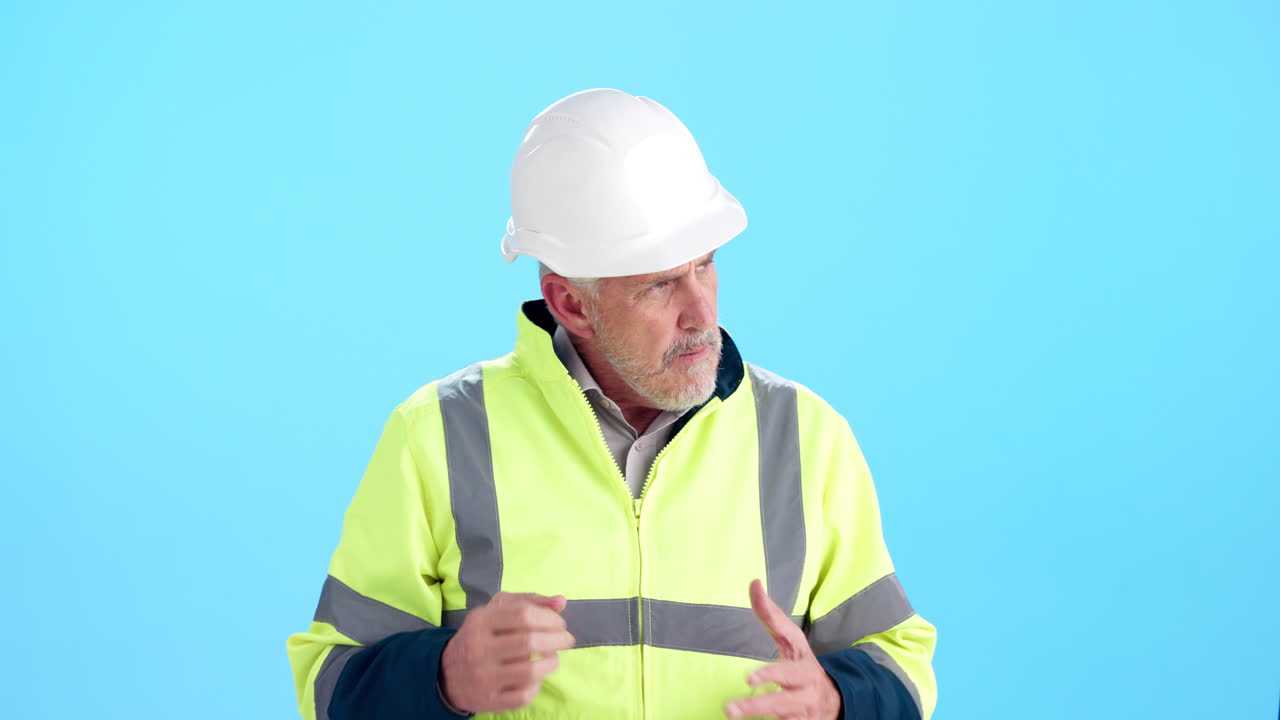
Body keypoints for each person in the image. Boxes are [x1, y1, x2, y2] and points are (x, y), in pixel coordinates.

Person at [287, 88, 937, 720]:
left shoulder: (805, 438)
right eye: (660, 284)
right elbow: (329, 682)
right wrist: (443, 678)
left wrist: (838, 700)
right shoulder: (438, 435)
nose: (701, 312)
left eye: (705, 265)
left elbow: (904, 665)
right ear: (571, 302)